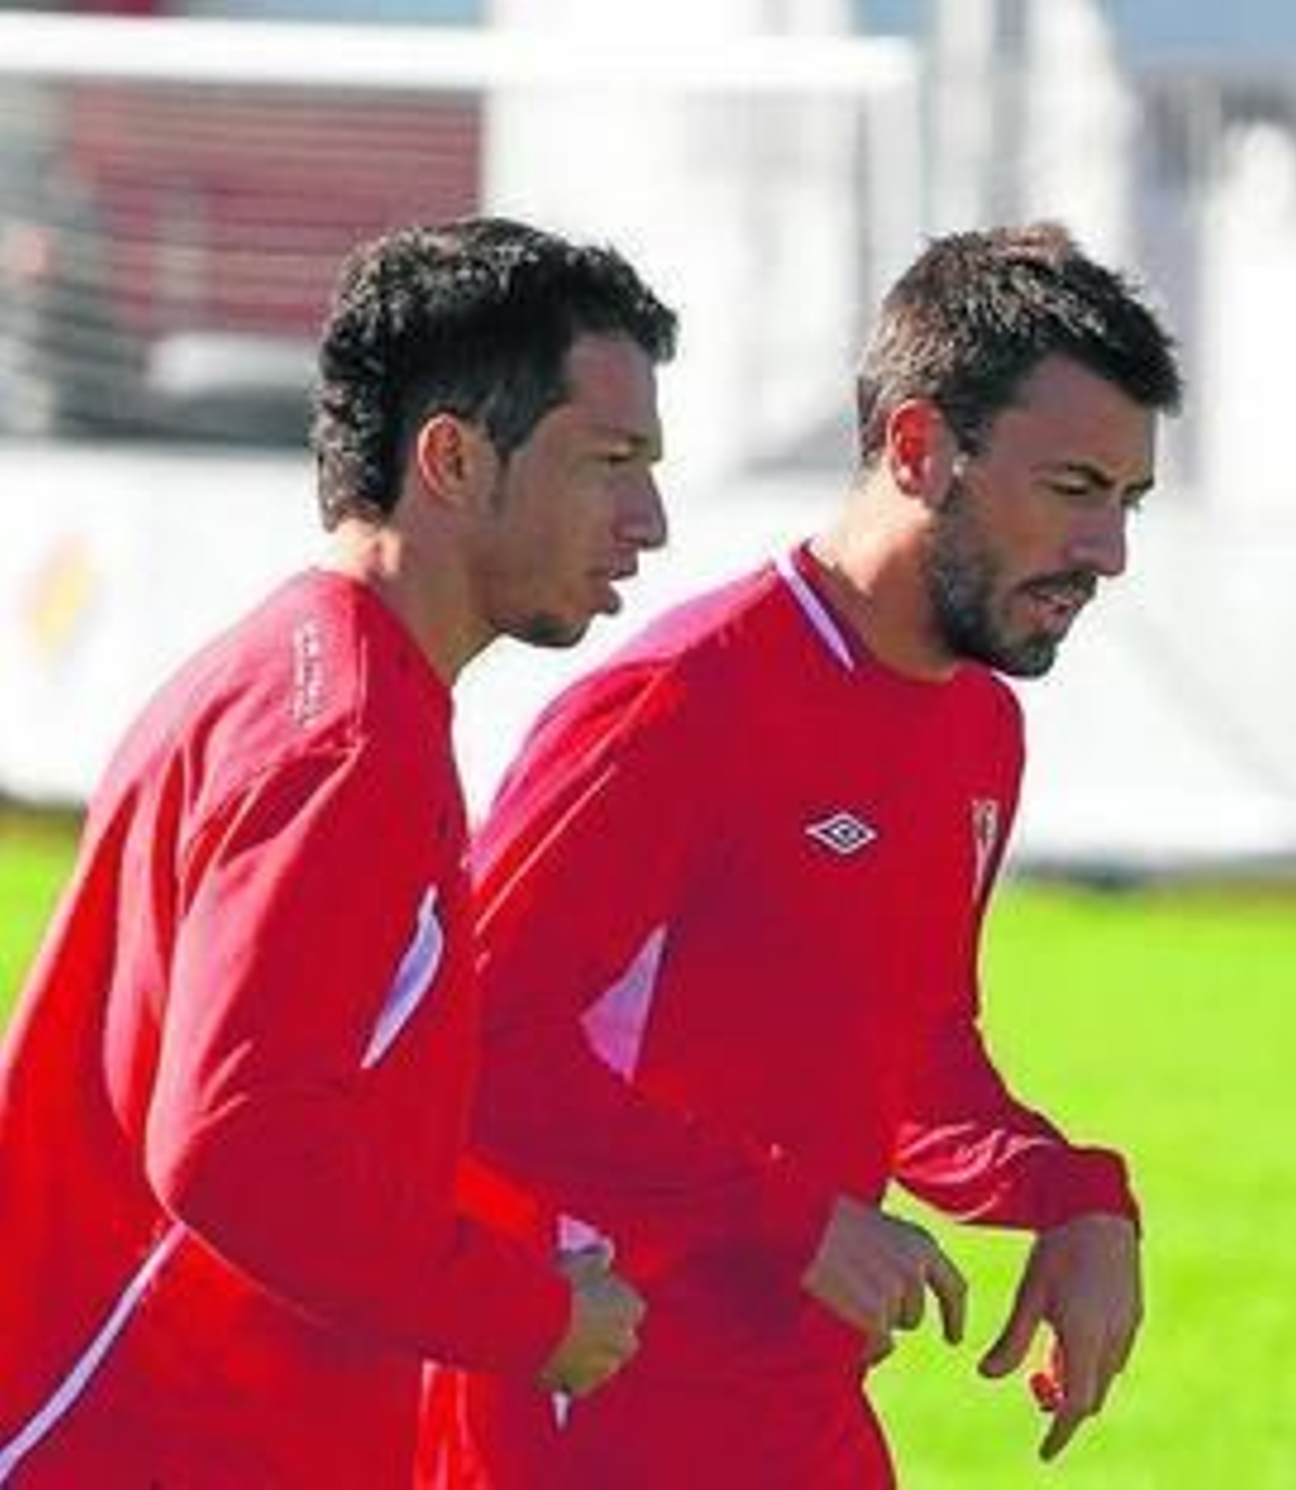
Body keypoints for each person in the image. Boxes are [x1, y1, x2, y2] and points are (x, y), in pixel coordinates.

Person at [424, 221, 1183, 1486]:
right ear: (918, 446)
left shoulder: (975, 723)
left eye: (1127, 500)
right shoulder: (677, 706)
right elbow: (470, 1050)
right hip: (588, 1416)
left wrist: (1071, 1190)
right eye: (1072, 490)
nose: (1108, 552)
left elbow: (917, 1055)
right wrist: (786, 1215)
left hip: (797, 1410)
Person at [0, 215, 676, 1486]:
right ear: (453, 458)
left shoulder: (312, 677)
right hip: (143, 1437)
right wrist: (528, 1315)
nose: (648, 518)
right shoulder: (348, 741)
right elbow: (231, 1145)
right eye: (611, 460)